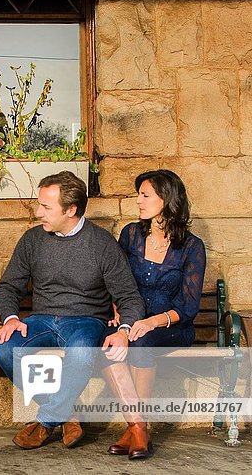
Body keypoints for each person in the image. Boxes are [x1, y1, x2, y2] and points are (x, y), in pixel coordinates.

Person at [0, 171, 145, 451]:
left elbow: (129, 297)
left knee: (80, 352)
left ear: (71, 210)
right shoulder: (32, 241)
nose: (39, 212)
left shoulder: (101, 244)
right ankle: (66, 413)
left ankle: (46, 420)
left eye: (46, 207)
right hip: (41, 320)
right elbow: (7, 288)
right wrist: (11, 318)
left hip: (85, 321)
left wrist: (124, 330)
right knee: (4, 349)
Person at [101, 169, 206, 460]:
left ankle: (136, 429)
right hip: (132, 322)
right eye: (139, 194)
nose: (138, 200)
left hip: (171, 327)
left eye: (145, 195)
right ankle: (138, 429)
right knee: (110, 342)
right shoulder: (131, 235)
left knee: (141, 343)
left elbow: (188, 307)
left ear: (166, 199)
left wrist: (150, 322)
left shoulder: (191, 247)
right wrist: (119, 316)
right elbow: (116, 281)